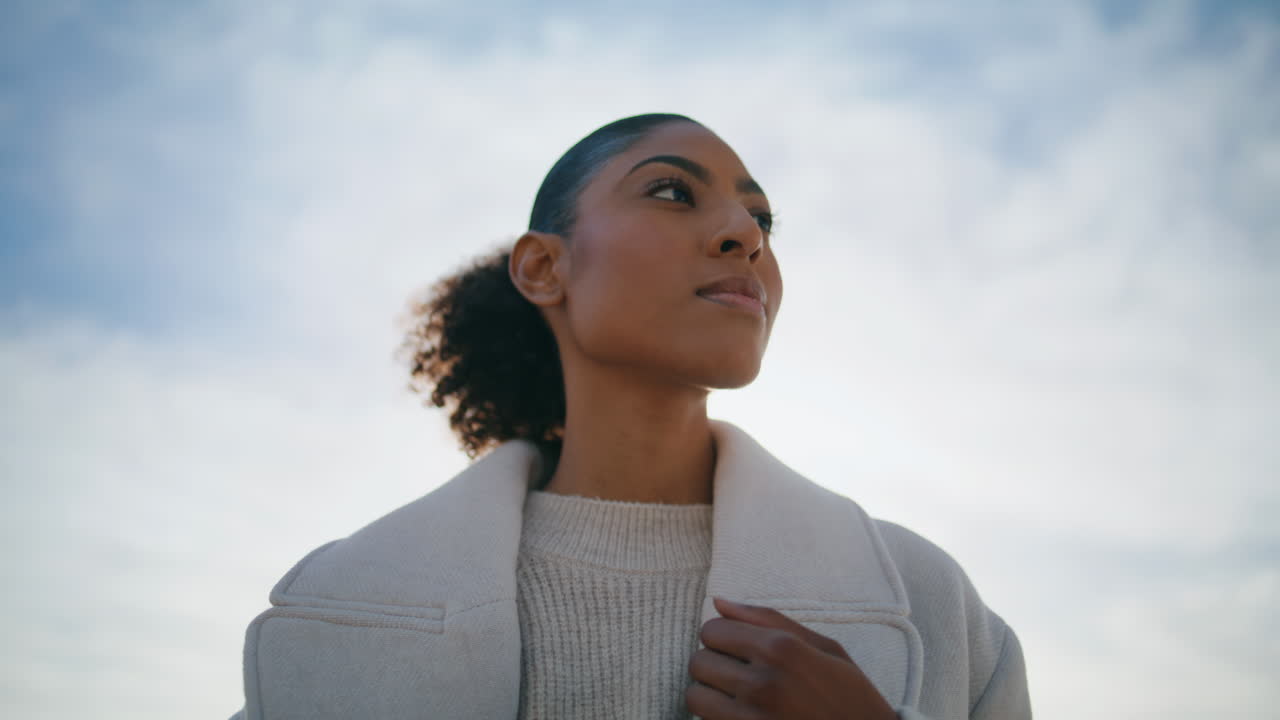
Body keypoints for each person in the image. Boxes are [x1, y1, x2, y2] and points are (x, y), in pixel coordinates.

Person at [230, 113, 1031, 719]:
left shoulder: (932, 605)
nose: (745, 235)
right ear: (545, 267)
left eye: (763, 221)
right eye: (673, 192)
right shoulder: (330, 624)